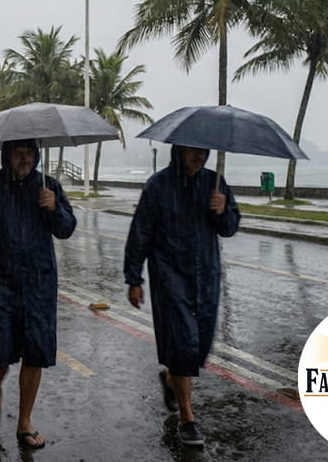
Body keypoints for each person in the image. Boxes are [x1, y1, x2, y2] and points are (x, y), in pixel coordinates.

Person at [0, 138, 77, 450]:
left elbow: (66, 228)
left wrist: (54, 208)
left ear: (36, 155)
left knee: (35, 351)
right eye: (18, 152)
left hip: (39, 285)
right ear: (7, 155)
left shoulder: (48, 186)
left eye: (29, 153)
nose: (24, 159)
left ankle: (24, 421)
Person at [123, 145, 240, 447]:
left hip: (207, 276)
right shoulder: (158, 185)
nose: (198, 155)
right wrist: (134, 279)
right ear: (178, 150)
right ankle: (188, 419)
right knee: (183, 340)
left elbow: (229, 228)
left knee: (200, 343)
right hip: (169, 275)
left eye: (203, 150)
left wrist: (223, 209)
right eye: (192, 150)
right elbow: (140, 233)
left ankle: (171, 379)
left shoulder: (215, 183)